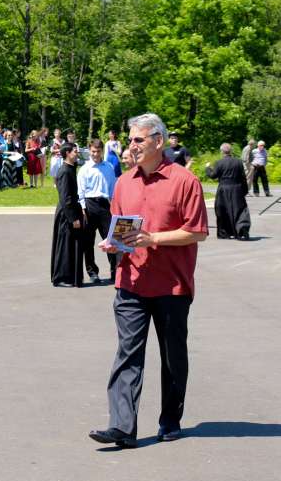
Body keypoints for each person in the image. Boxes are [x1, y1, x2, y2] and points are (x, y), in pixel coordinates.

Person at [89, 113, 208, 449]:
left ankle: (170, 419)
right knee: (128, 352)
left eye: (138, 140)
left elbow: (197, 232)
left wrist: (154, 238)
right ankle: (122, 428)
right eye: (130, 140)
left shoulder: (185, 181)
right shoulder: (124, 181)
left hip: (171, 285)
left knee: (172, 356)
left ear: (158, 141)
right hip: (130, 281)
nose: (132, 146)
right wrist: (113, 243)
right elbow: (120, 227)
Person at [77, 139, 117, 284]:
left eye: (98, 151)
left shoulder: (109, 167)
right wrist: (83, 209)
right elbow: (80, 191)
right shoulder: (84, 169)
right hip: (89, 205)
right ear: (89, 151)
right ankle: (92, 272)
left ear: (102, 151)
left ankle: (115, 271)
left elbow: (113, 188)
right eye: (93, 151)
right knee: (88, 241)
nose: (95, 154)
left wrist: (115, 205)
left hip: (106, 206)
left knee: (111, 240)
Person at [50, 143, 83, 288]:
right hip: (66, 214)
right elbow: (65, 197)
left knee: (70, 245)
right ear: (68, 153)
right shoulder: (64, 171)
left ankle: (69, 276)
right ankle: (61, 277)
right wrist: (73, 218)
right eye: (75, 151)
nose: (77, 153)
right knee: (64, 246)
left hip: (71, 210)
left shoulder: (70, 168)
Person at [205, 143, 250, 240]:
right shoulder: (238, 162)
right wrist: (245, 190)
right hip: (237, 188)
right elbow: (243, 178)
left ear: (222, 152)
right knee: (239, 210)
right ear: (231, 151)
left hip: (223, 189)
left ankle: (225, 233)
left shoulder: (219, 162)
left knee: (223, 210)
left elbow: (213, 175)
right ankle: (241, 230)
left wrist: (207, 168)